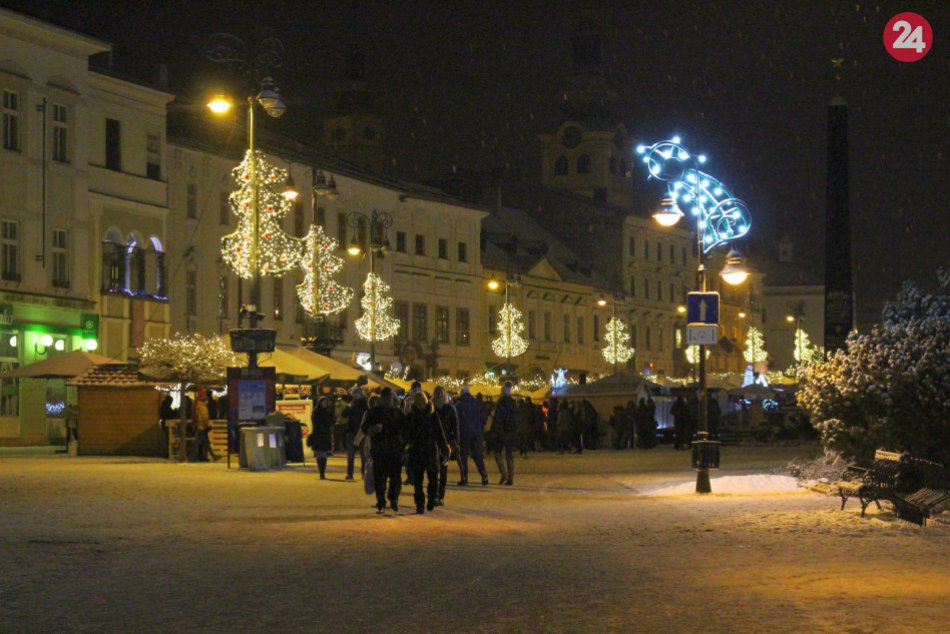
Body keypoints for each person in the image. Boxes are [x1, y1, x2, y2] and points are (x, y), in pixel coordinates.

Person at [361, 388, 408, 514]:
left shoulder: (398, 413)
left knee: (395, 477)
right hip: (379, 449)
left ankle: (393, 499)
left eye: (389, 397)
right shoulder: (374, 412)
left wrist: (403, 444)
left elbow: (407, 429)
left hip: (395, 450)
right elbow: (364, 427)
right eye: (385, 397)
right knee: (379, 478)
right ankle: (381, 502)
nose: (387, 400)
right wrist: (372, 429)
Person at [406, 392, 449, 513]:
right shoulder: (412, 416)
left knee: (433, 478)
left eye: (422, 403)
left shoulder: (433, 416)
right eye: (418, 403)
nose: (420, 406)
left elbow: (440, 433)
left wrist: (444, 447)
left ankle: (431, 499)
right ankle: (420, 503)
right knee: (418, 481)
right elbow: (408, 434)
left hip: (430, 451)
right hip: (417, 451)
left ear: (426, 403)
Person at [454, 386, 489, 486]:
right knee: (477, 454)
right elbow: (483, 416)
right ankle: (483, 473)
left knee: (463, 455)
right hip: (477, 432)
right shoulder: (477, 404)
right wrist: (480, 426)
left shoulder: (459, 405)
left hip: (464, 432)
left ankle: (464, 477)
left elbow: (456, 419)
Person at [431, 386, 460, 505]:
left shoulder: (450, 408)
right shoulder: (431, 407)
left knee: (443, 470)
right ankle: (434, 494)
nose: (439, 395)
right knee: (433, 470)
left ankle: (440, 495)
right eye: (437, 393)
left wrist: (455, 441)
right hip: (433, 442)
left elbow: (455, 426)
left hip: (445, 443)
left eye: (440, 393)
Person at [492, 382, 519, 485]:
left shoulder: (500, 404)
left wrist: (495, 430)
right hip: (511, 432)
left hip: (501, 432)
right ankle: (511, 477)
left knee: (497, 453)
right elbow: (517, 419)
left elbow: (497, 418)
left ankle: (504, 473)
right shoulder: (514, 404)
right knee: (509, 454)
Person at [342, 387, 368, 480]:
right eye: (354, 394)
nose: (355, 395)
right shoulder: (351, 404)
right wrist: (349, 406)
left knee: (363, 454)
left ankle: (364, 473)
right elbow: (344, 414)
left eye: (356, 393)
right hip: (351, 431)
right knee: (351, 454)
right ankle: (350, 474)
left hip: (361, 431)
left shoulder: (365, 404)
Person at [308, 396, 335, 479]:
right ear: (320, 403)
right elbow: (315, 422)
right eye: (324, 402)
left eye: (326, 403)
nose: (325, 404)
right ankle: (321, 472)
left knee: (323, 454)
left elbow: (331, 422)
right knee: (319, 454)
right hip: (318, 434)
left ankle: (322, 473)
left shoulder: (328, 412)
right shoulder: (316, 412)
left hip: (325, 435)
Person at [190, 389, 219, 462]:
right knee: (197, 443)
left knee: (206, 442)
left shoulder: (197, 405)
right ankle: (191, 457)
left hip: (199, 426)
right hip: (202, 427)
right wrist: (208, 425)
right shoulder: (203, 407)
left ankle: (213, 455)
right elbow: (205, 417)